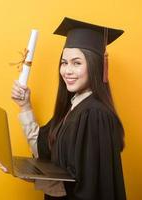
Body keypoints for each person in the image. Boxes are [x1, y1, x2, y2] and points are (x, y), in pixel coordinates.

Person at [10, 17, 126, 200]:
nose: (67, 71)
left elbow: (87, 187)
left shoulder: (94, 114)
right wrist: (25, 106)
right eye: (64, 62)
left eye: (77, 63)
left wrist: (34, 180)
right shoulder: (74, 106)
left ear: (96, 66)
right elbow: (46, 150)